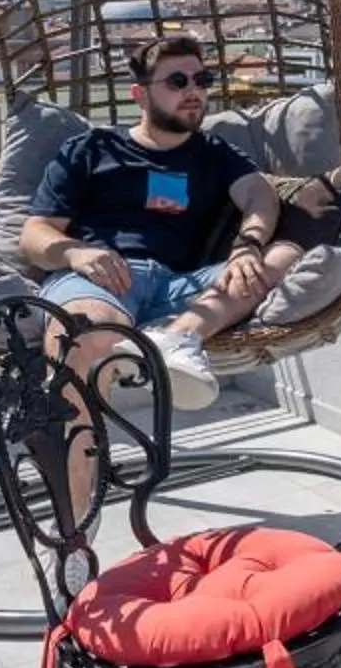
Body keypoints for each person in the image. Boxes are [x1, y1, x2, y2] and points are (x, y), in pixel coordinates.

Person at [18, 32, 296, 412]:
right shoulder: (92, 148)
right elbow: (33, 234)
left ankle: (176, 337)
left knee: (282, 256)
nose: (193, 91)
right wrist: (76, 253)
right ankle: (79, 451)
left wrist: (248, 245)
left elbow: (260, 195)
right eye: (177, 81)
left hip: (180, 286)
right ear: (140, 94)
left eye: (201, 80)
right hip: (105, 279)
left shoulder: (214, 153)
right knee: (83, 334)